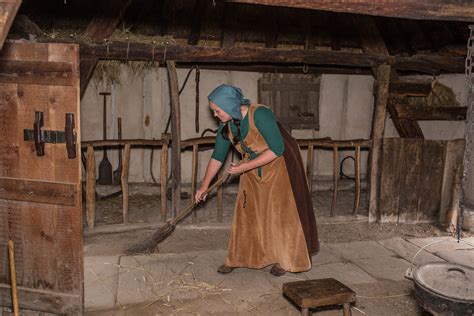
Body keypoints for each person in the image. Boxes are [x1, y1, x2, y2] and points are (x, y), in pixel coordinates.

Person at [195, 84, 319, 276]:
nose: (215, 115)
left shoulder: (259, 114)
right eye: (214, 111)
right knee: (248, 212)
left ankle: (286, 259)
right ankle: (241, 256)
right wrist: (204, 186)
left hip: (278, 167)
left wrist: (243, 167)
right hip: (252, 168)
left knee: (280, 213)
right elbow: (217, 157)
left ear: (229, 105)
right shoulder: (227, 127)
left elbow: (278, 149)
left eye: (217, 111)